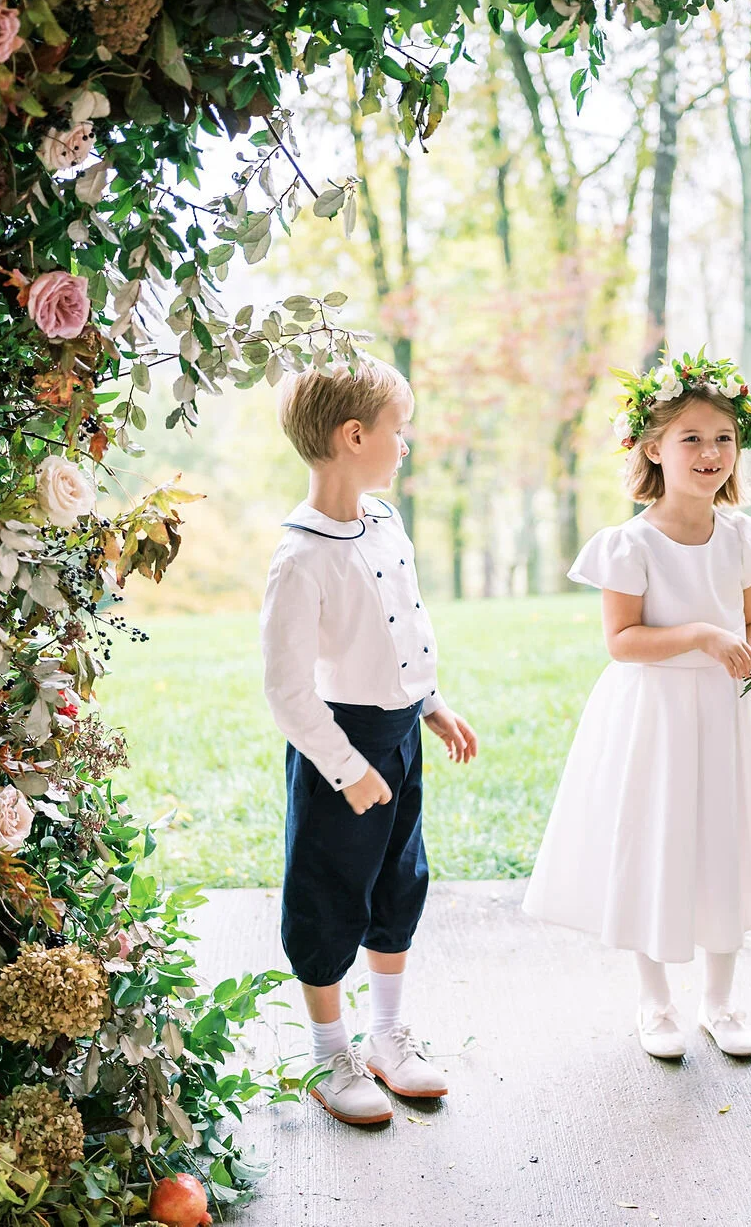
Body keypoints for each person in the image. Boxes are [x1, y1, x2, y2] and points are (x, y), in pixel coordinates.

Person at [522, 352, 751, 1060]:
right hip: (654, 713)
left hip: (727, 712)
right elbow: (623, 641)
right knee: (654, 838)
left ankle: (720, 1000)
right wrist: (699, 635)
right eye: (691, 438)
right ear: (653, 448)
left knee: (727, 837)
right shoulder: (629, 544)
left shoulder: (745, 537)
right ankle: (655, 1000)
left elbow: (750, 621)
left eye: (723, 438)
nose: (710, 452)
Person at [260, 354, 478, 1125]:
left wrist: (431, 704)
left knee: (399, 881)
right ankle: (330, 1051)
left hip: (398, 738)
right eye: (399, 430)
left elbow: (405, 631)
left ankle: (387, 1036)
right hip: (337, 749)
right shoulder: (301, 558)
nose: (406, 443)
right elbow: (287, 691)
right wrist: (346, 768)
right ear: (355, 437)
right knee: (326, 896)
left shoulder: (385, 524)